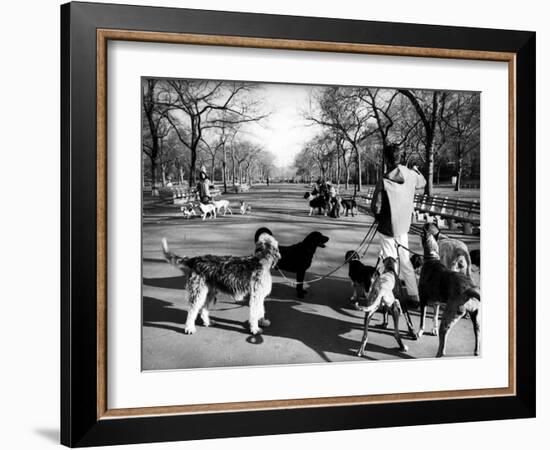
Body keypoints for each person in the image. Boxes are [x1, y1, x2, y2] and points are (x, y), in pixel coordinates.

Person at [371, 144, 426, 306]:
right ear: (400, 157)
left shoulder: (384, 180)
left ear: (386, 159)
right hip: (403, 226)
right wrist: (415, 170)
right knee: (405, 260)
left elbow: (376, 206)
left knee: (389, 262)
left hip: (387, 227)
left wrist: (377, 216)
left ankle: (391, 299)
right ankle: (414, 296)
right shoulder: (411, 175)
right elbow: (422, 182)